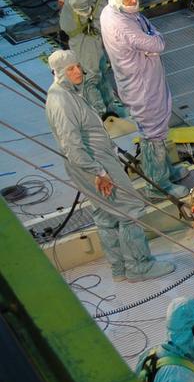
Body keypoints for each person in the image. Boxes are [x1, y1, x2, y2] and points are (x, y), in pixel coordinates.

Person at [45, 49, 176, 282]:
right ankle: (139, 266)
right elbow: (72, 145)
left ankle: (119, 268)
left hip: (90, 163)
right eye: (70, 69)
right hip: (94, 163)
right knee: (130, 208)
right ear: (58, 72)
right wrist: (99, 172)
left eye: (78, 66)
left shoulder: (66, 93)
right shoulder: (62, 101)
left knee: (105, 214)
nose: (78, 71)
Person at [100, 0, 183, 195]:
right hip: (142, 86)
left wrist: (151, 39)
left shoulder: (113, 11)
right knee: (153, 132)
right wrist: (153, 39)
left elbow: (148, 31)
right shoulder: (121, 24)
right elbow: (157, 43)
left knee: (158, 128)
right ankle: (158, 184)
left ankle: (166, 171)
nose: (134, 0)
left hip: (143, 80)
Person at [59, 0, 130, 117]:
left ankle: (109, 106)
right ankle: (99, 115)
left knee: (100, 67)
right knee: (90, 74)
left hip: (80, 26)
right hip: (83, 31)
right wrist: (87, 13)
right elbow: (77, 0)